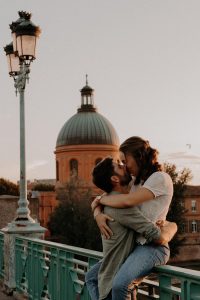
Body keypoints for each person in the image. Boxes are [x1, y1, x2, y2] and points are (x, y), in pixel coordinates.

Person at [90, 136, 174, 300]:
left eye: (124, 161)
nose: (125, 167)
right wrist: (98, 214)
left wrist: (172, 227)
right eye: (120, 163)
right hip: (134, 247)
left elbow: (126, 202)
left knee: (120, 285)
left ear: (138, 157)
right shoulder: (135, 181)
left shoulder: (159, 178)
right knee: (92, 277)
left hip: (152, 246)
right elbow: (107, 196)